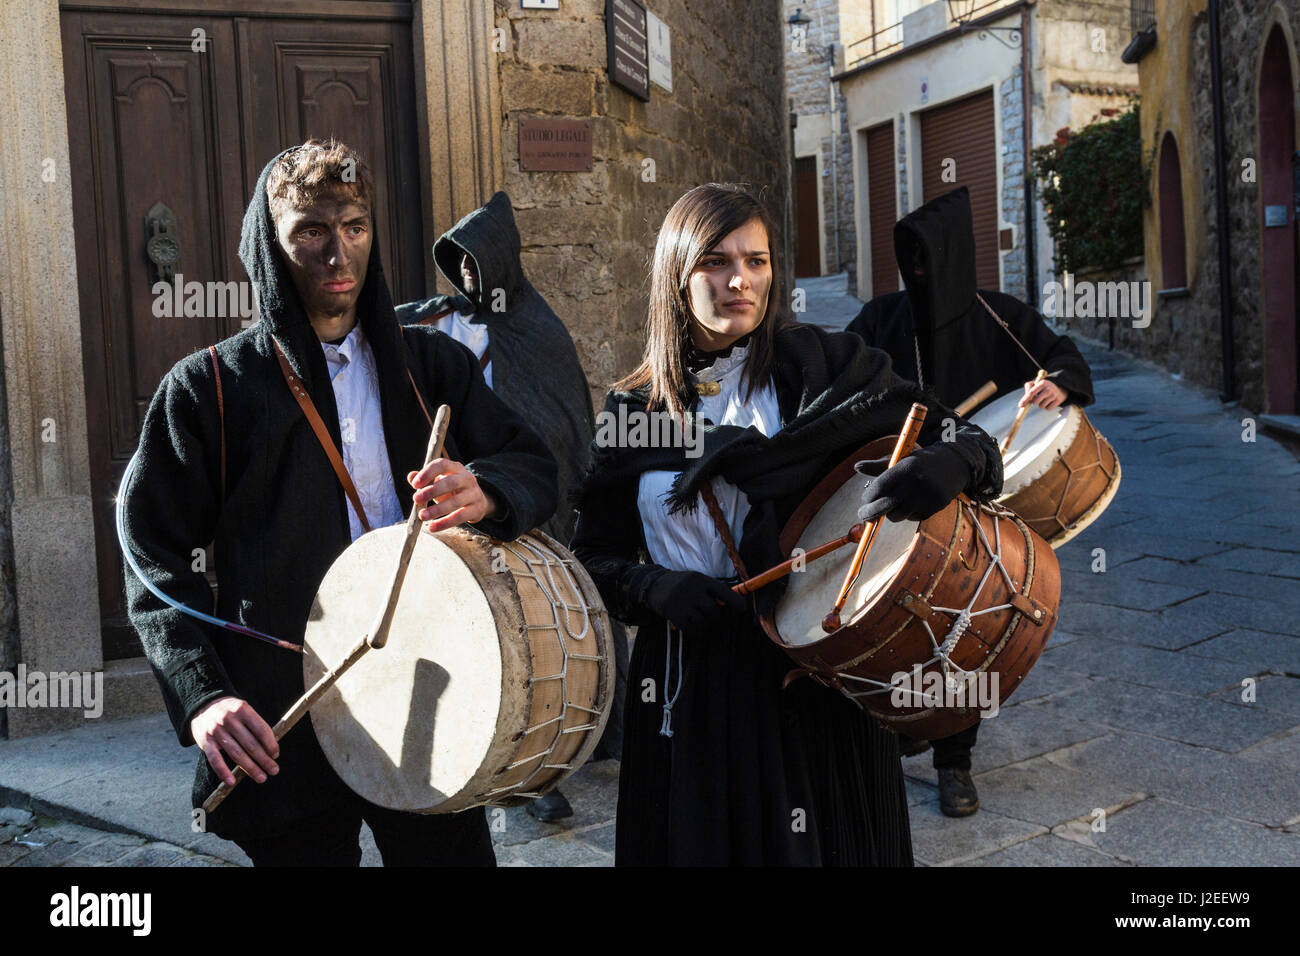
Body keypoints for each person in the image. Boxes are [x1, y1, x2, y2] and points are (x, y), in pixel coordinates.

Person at [120, 139, 558, 866]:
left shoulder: (431, 365)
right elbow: (151, 555)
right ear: (271, 244)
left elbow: (535, 464)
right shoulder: (209, 391)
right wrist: (203, 696)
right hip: (281, 714)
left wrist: (488, 489)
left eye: (354, 227)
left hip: (430, 690)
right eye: (311, 233)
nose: (337, 253)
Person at [570, 183, 1006, 865]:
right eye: (715, 262)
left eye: (757, 260)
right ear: (676, 276)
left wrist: (948, 465)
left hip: (820, 672)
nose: (740, 280)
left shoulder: (831, 371)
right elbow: (589, 559)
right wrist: (654, 588)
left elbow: (971, 440)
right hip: (693, 684)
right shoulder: (636, 413)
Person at [846, 185, 1094, 818]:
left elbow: (1063, 358)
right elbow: (841, 382)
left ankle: (955, 762)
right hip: (905, 495)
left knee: (970, 633)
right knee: (893, 621)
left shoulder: (1000, 316)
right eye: (912, 259)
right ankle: (899, 725)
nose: (920, 272)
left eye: (931, 259)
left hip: (981, 501)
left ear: (954, 257)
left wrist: (1056, 386)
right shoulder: (880, 320)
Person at [396, 191, 629, 822]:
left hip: (522, 501)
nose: (469, 277)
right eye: (460, 265)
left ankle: (546, 763)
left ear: (502, 263)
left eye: (478, 264)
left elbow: (559, 426)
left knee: (539, 634)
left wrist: (522, 486)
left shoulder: (536, 327)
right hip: (452, 504)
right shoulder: (434, 321)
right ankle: (487, 754)